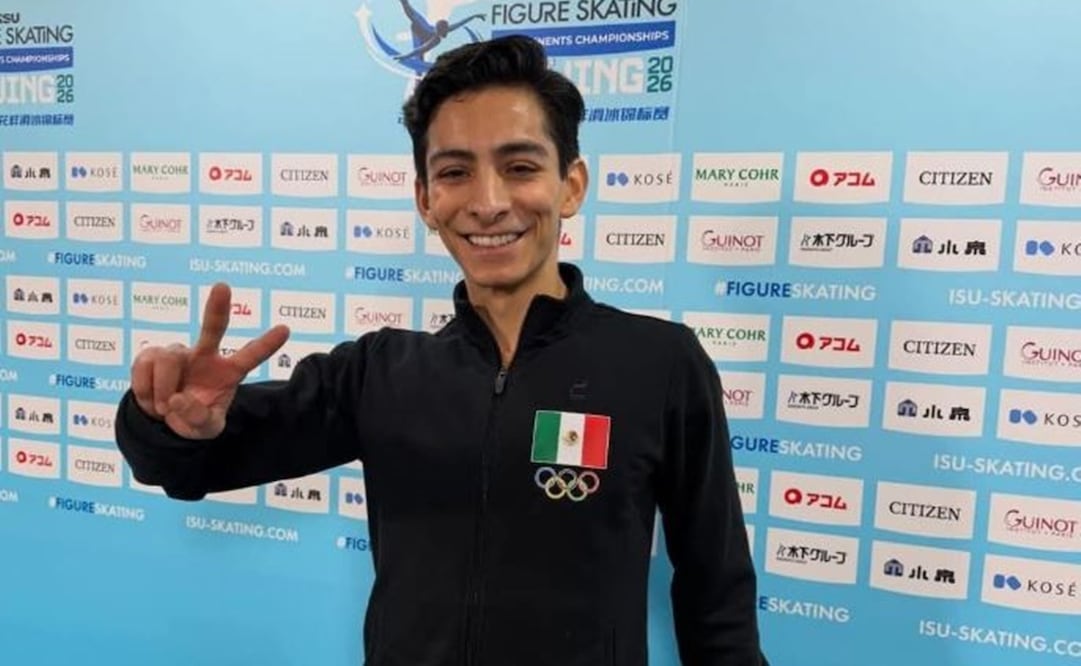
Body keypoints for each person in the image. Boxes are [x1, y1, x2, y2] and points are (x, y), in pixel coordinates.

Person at [115, 34, 768, 666]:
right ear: (426, 199)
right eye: (455, 172)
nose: (488, 203)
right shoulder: (379, 373)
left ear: (570, 185)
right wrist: (166, 422)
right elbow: (187, 467)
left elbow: (715, 590)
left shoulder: (660, 363)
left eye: (519, 167)